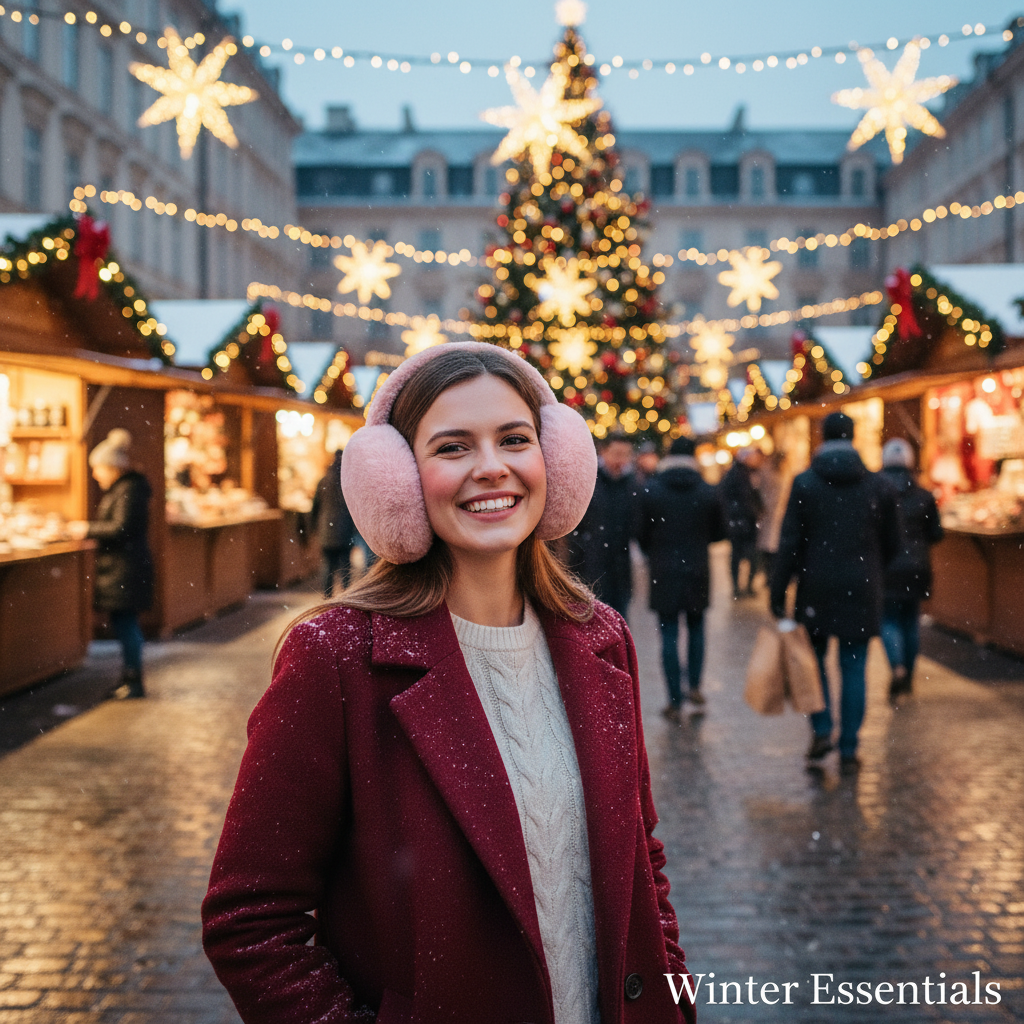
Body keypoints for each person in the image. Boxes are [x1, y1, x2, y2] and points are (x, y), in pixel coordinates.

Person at [202, 343, 696, 1024]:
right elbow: (251, 920)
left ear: (556, 461)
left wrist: (673, 997)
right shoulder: (336, 658)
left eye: (514, 439)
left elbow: (643, 859)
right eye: (453, 447)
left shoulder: (601, 638)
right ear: (396, 481)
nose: (491, 467)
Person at [770, 412, 900, 770]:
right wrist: (872, 569)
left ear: (822, 438)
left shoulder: (805, 484)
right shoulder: (879, 486)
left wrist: (778, 591)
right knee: (854, 667)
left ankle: (823, 728)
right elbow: (894, 543)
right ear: (852, 437)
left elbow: (789, 543)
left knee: (814, 665)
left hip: (816, 588)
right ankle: (849, 747)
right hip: (862, 587)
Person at [638, 435, 725, 720]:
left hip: (663, 570)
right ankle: (695, 685)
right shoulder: (707, 490)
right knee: (697, 629)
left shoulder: (652, 490)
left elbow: (640, 532)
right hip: (697, 569)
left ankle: (674, 698)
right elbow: (720, 531)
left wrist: (655, 550)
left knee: (668, 633)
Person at [68, 428, 153, 699]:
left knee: (126, 624)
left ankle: (133, 680)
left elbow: (122, 528)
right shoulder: (127, 488)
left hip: (125, 568)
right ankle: (130, 678)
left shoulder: (128, 490)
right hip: (125, 567)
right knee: (125, 623)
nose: (95, 475)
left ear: (112, 467)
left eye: (98, 468)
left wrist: (86, 529)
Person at [879, 438, 944, 701]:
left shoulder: (877, 492)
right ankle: (908, 677)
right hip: (917, 567)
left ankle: (897, 667)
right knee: (910, 622)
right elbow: (936, 533)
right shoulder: (923, 496)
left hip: (887, 567)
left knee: (888, 619)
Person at [566, 432, 638, 618]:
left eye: (625, 454)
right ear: (603, 452)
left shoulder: (631, 484)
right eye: (616, 454)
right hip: (589, 568)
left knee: (619, 621)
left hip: (620, 571)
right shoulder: (588, 481)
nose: (621, 460)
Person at [310, 446, 354, 598]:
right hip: (345, 529)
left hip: (326, 529)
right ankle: (346, 594)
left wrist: (314, 527)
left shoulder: (323, 481)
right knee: (345, 564)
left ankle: (327, 595)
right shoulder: (347, 482)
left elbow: (315, 506)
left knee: (328, 564)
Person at [720, 447, 762, 597]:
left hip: (742, 521)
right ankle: (741, 587)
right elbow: (742, 499)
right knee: (743, 555)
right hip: (741, 521)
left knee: (743, 555)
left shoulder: (746, 474)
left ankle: (743, 586)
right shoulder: (739, 475)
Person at [754, 449, 790, 587]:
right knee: (770, 548)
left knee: (770, 548)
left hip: (773, 514)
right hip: (770, 513)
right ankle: (770, 576)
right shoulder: (771, 471)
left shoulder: (772, 471)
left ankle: (770, 576)